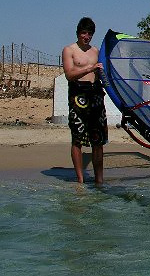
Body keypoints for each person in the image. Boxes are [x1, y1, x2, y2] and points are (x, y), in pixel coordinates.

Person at [62, 17, 107, 185]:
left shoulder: (95, 51)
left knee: (98, 139)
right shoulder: (69, 50)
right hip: (77, 94)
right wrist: (89, 68)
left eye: (89, 34)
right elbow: (69, 74)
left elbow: (103, 73)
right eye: (83, 33)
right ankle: (80, 180)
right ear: (78, 33)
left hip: (95, 94)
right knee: (77, 138)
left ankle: (99, 180)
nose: (86, 37)